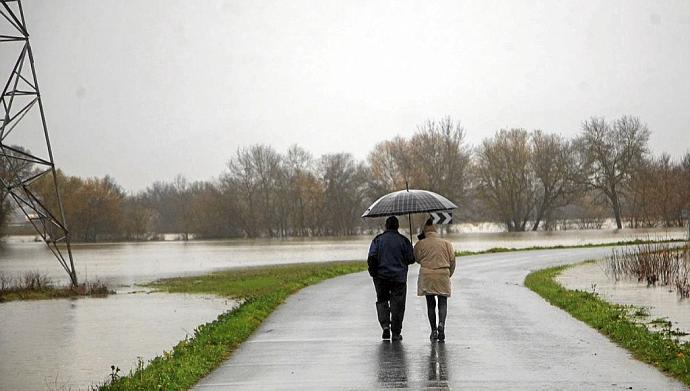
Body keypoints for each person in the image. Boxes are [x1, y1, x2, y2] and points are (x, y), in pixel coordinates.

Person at [368, 216, 415, 341]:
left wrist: (374, 273)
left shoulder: (377, 240)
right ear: (397, 226)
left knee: (382, 301)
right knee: (398, 305)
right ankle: (396, 332)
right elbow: (411, 259)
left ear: (386, 226)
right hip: (398, 278)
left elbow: (372, 257)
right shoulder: (404, 241)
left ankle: (385, 326)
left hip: (381, 277)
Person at [414, 219, 456, 341]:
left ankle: (433, 331)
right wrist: (448, 274)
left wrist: (419, 242)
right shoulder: (446, 243)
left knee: (430, 304)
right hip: (443, 273)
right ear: (435, 230)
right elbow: (452, 261)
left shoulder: (421, 243)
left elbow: (416, 258)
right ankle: (441, 324)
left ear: (424, 231)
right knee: (442, 302)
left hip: (427, 274)